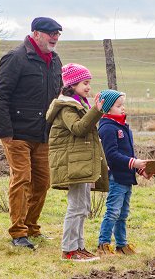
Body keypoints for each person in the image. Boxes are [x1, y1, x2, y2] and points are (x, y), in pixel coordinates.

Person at [0, 17, 63, 249]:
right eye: (50, 33)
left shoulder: (55, 61)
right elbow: (0, 95)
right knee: (22, 179)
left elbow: (57, 95)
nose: (54, 37)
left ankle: (32, 227)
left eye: (58, 34)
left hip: (43, 134)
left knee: (42, 182)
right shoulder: (16, 58)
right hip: (17, 133)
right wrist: (4, 131)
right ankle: (18, 232)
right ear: (36, 33)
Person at [46, 63, 109, 262]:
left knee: (83, 206)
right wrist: (97, 111)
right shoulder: (67, 107)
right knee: (76, 207)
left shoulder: (79, 104)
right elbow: (79, 129)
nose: (88, 87)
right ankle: (69, 249)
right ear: (72, 84)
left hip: (79, 163)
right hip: (72, 164)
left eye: (89, 83)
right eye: (85, 83)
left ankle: (79, 247)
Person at [96, 89, 152, 256]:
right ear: (107, 108)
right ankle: (103, 244)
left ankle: (121, 245)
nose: (123, 108)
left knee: (123, 213)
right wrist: (133, 163)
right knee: (113, 211)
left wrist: (139, 168)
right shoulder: (107, 128)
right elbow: (111, 155)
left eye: (123, 105)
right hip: (116, 177)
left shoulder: (123, 127)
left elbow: (128, 154)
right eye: (119, 105)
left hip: (126, 177)